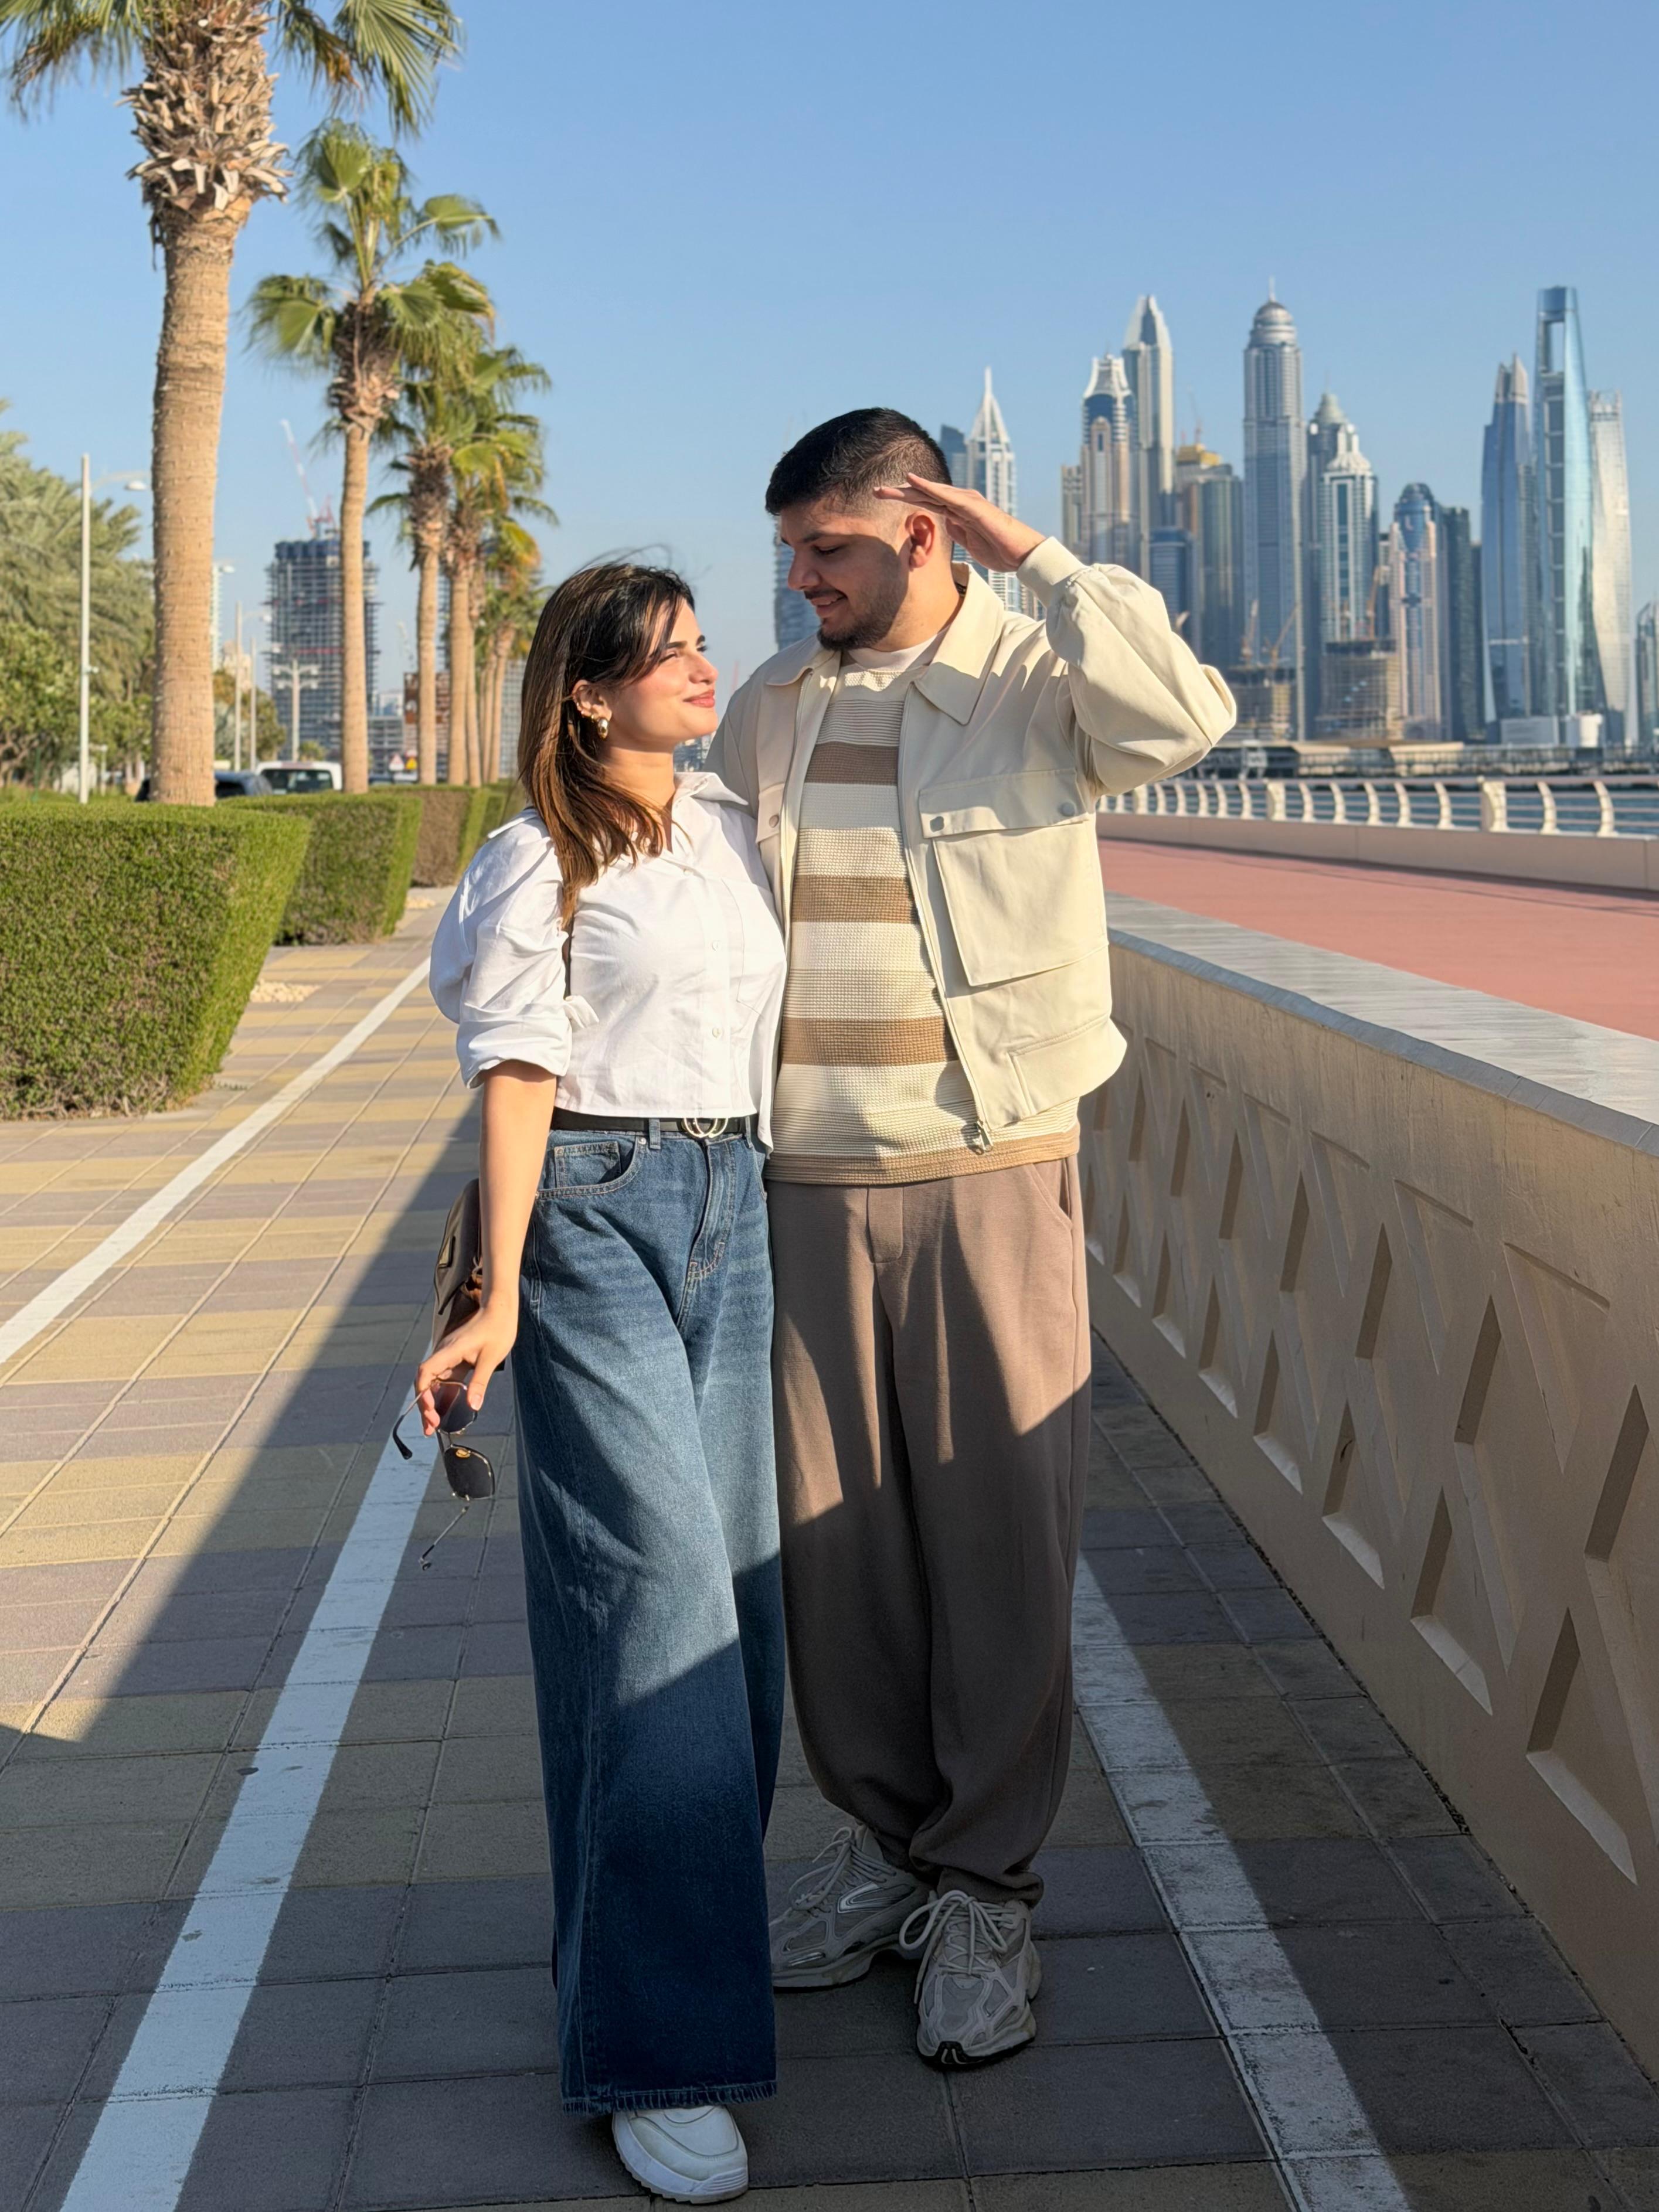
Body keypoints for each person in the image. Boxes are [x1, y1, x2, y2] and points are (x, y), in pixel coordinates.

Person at [709, 409, 1235, 2068]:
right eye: (791, 552)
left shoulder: (1030, 679)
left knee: (999, 1541)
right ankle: (883, 1856)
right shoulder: (770, 712)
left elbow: (1188, 719)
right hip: (801, 1181)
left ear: (925, 532)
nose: (802, 581)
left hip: (989, 1162)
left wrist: (1048, 562)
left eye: (831, 552)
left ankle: (989, 1892)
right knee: (838, 1556)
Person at [418, 563, 787, 2201]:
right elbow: (518, 1080)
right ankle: (657, 2049)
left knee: (744, 1619)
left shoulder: (722, 829)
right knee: (657, 1625)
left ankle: (651, 1972)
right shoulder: (533, 866)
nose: (702, 671)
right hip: (592, 1209)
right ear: (586, 691)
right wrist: (494, 1299)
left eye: (706, 644)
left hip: (742, 1199)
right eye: (667, 654)